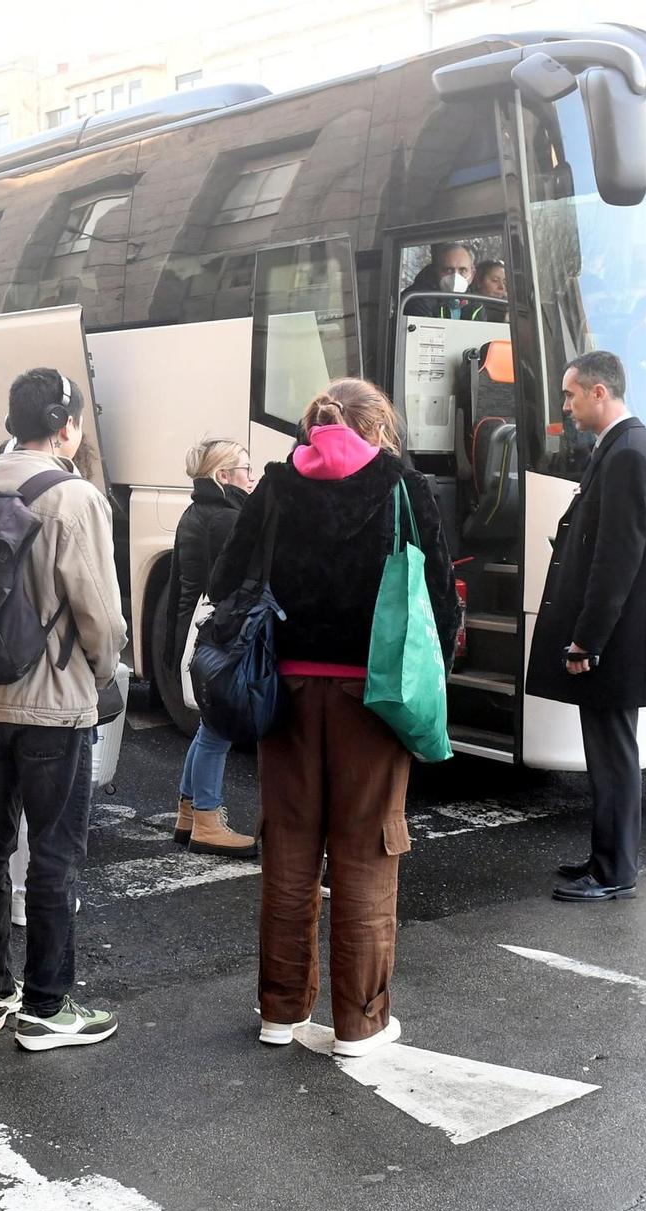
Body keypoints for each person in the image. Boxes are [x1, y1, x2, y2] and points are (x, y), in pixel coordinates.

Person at [209, 378, 458, 1057]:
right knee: (367, 850)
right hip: (374, 697)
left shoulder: (276, 485)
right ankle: (360, 1022)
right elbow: (438, 602)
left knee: (289, 848)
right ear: (379, 427)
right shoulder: (404, 486)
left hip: (284, 691)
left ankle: (280, 1014)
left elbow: (226, 579)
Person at [0, 367, 127, 1051]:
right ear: (67, 426)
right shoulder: (72, 496)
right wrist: (102, 674)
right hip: (52, 705)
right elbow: (102, 615)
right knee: (55, 853)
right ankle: (49, 1006)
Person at [524, 350, 646, 903]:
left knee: (614, 754)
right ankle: (605, 857)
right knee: (608, 752)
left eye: (571, 394)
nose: (565, 406)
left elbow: (616, 558)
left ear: (600, 392)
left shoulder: (628, 454)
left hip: (617, 639)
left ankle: (615, 869)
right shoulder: (631, 447)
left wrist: (586, 639)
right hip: (623, 635)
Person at [171, 437, 259, 857]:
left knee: (210, 725)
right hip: (220, 634)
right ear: (224, 477)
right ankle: (207, 817)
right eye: (245, 468)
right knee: (218, 728)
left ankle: (188, 813)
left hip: (198, 629)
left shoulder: (196, 512)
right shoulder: (226, 519)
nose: (253, 476)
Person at [403, 243, 477, 319]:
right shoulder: (418, 298)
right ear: (436, 271)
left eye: (463, 270)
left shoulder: (476, 303)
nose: (455, 277)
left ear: (472, 275)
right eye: (448, 270)